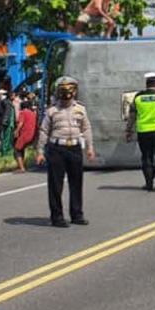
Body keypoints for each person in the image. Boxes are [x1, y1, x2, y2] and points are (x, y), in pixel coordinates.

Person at [35, 76, 95, 227]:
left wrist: (90, 148)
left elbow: (86, 128)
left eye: (69, 88)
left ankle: (77, 215)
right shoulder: (52, 111)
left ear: (74, 91)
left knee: (76, 183)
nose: (67, 92)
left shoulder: (80, 109)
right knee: (56, 184)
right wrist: (40, 151)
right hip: (57, 149)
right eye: (63, 89)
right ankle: (57, 217)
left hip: (74, 147)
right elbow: (43, 131)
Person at [14, 98, 37, 173]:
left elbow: (21, 123)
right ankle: (23, 165)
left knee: (17, 150)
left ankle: (21, 168)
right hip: (32, 134)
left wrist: (16, 131)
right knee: (21, 149)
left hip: (25, 134)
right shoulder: (33, 113)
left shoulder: (23, 113)